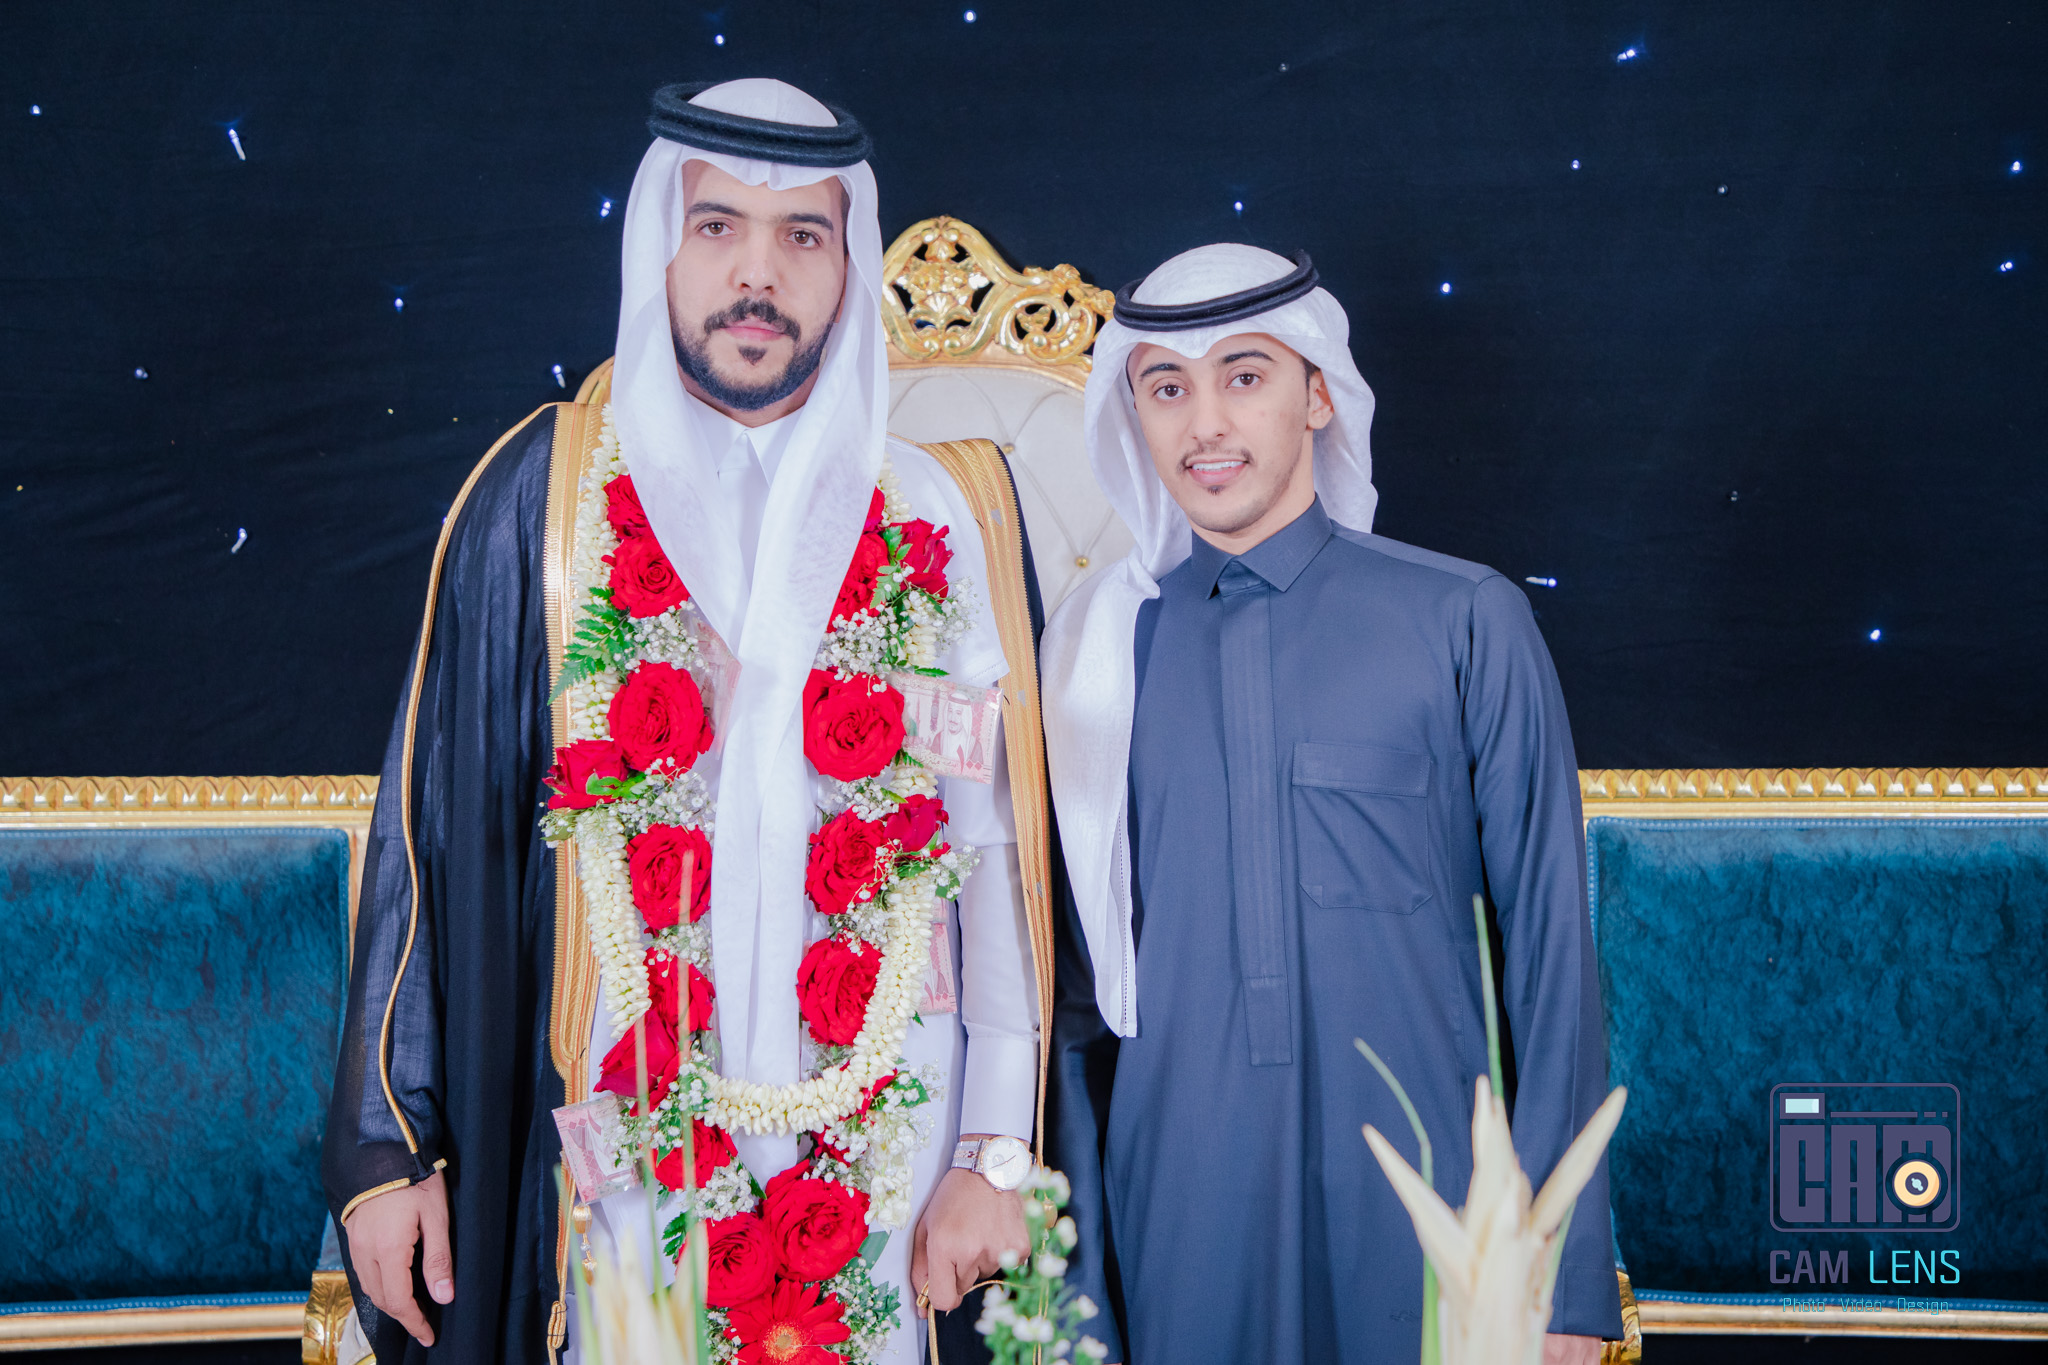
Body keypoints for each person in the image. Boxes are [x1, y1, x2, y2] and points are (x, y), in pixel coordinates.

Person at [323, 78, 1054, 1365]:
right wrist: (390, 1147)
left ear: (848, 267)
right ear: (659, 246)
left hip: (892, 1144)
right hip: (619, 1148)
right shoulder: (547, 500)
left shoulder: (942, 511)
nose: (756, 274)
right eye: (717, 228)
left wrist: (993, 1148)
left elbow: (994, 857)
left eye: (802, 235)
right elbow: (427, 842)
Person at [1039, 244, 1624, 1364]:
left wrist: (1560, 1277)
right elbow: (1073, 1012)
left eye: (1244, 375)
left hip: (1434, 1214)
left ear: (1317, 394)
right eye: (1166, 387)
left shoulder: (1466, 620)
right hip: (1183, 1215)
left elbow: (1551, 958)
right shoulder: (1093, 660)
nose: (1205, 423)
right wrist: (1079, 1313)